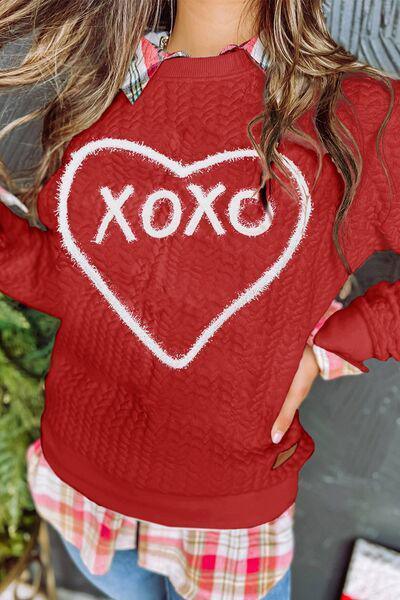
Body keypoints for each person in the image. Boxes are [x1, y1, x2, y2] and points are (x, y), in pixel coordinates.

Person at [0, 1, 398, 599]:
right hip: (82, 485)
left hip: (229, 525)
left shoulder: (357, 114)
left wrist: (339, 344)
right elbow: (76, 282)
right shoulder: (95, 90)